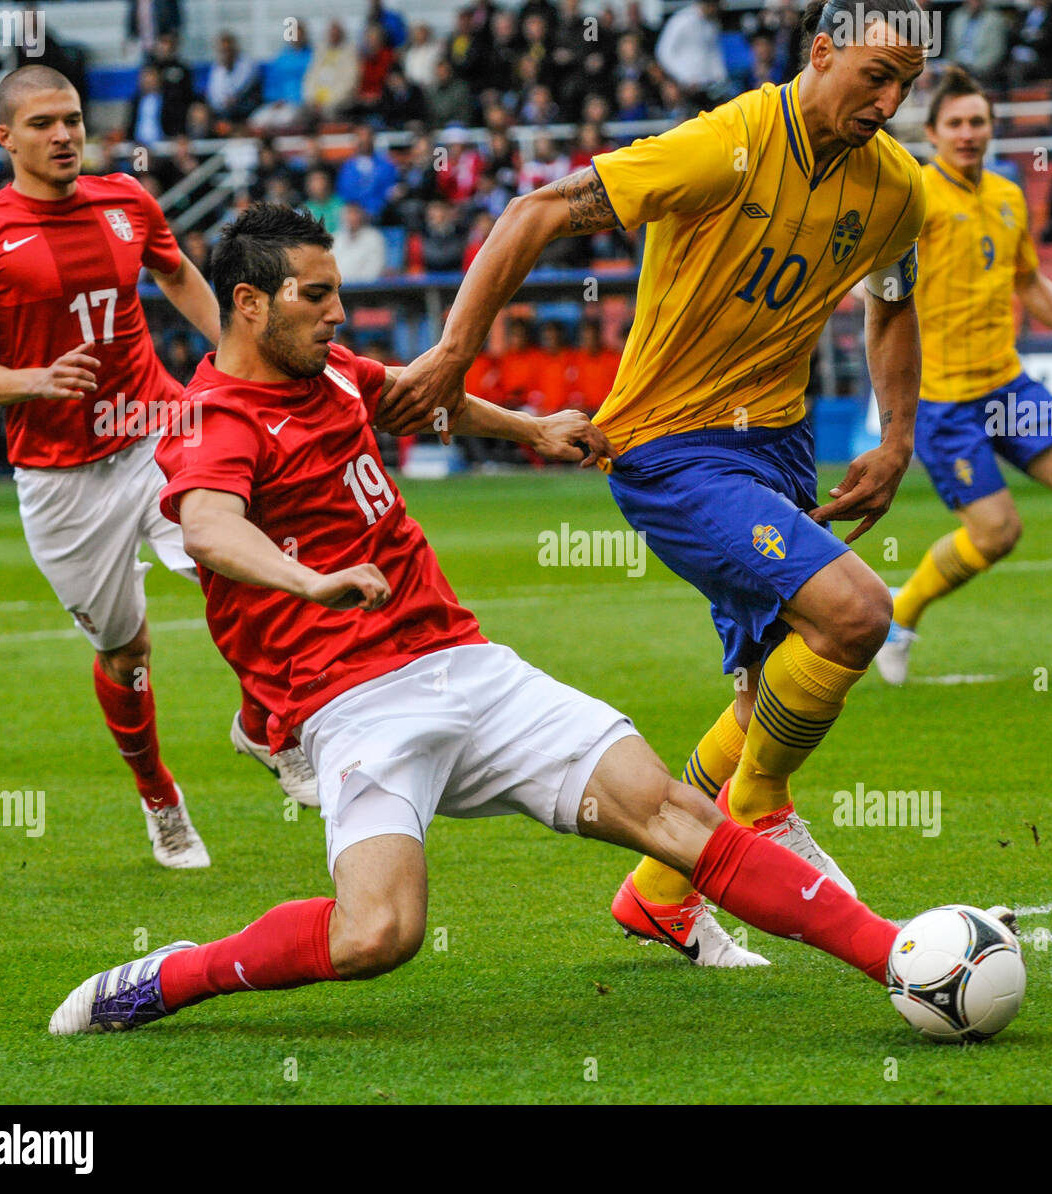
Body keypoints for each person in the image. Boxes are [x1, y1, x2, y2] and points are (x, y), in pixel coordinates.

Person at [48, 203, 968, 1034]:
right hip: (352, 702)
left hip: (465, 661)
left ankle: (898, 959)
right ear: (248, 303)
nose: (339, 313)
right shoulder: (215, 418)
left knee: (670, 811)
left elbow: (417, 394)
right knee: (378, 934)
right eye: (317, 296)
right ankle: (176, 977)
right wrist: (306, 580)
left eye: (340, 294)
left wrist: (531, 431)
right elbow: (209, 525)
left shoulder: (332, 372)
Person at [379, 0, 929, 966]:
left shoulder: (897, 193)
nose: (887, 102)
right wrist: (454, 354)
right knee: (853, 614)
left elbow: (892, 303)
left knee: (768, 694)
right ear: (822, 52)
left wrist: (895, 440)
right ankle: (758, 809)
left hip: (781, 447)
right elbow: (535, 210)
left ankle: (664, 894)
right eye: (874, 76)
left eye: (907, 86)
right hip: (673, 449)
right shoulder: (728, 146)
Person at [0, 67, 316, 871]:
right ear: (4, 138)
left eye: (72, 119)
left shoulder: (126, 201)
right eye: (42, 123)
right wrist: (33, 381)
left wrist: (243, 357)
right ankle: (160, 800)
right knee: (126, 653)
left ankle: (267, 723)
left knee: (244, 569)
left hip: (158, 431)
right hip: (60, 478)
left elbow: (176, 272)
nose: (64, 134)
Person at [875, 68, 1052, 687]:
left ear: (992, 130)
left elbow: (1028, 279)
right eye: (956, 124)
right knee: (997, 534)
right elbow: (879, 288)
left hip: (1008, 385)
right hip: (945, 400)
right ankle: (902, 613)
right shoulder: (914, 197)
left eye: (978, 122)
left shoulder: (1007, 194)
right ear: (934, 133)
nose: (968, 134)